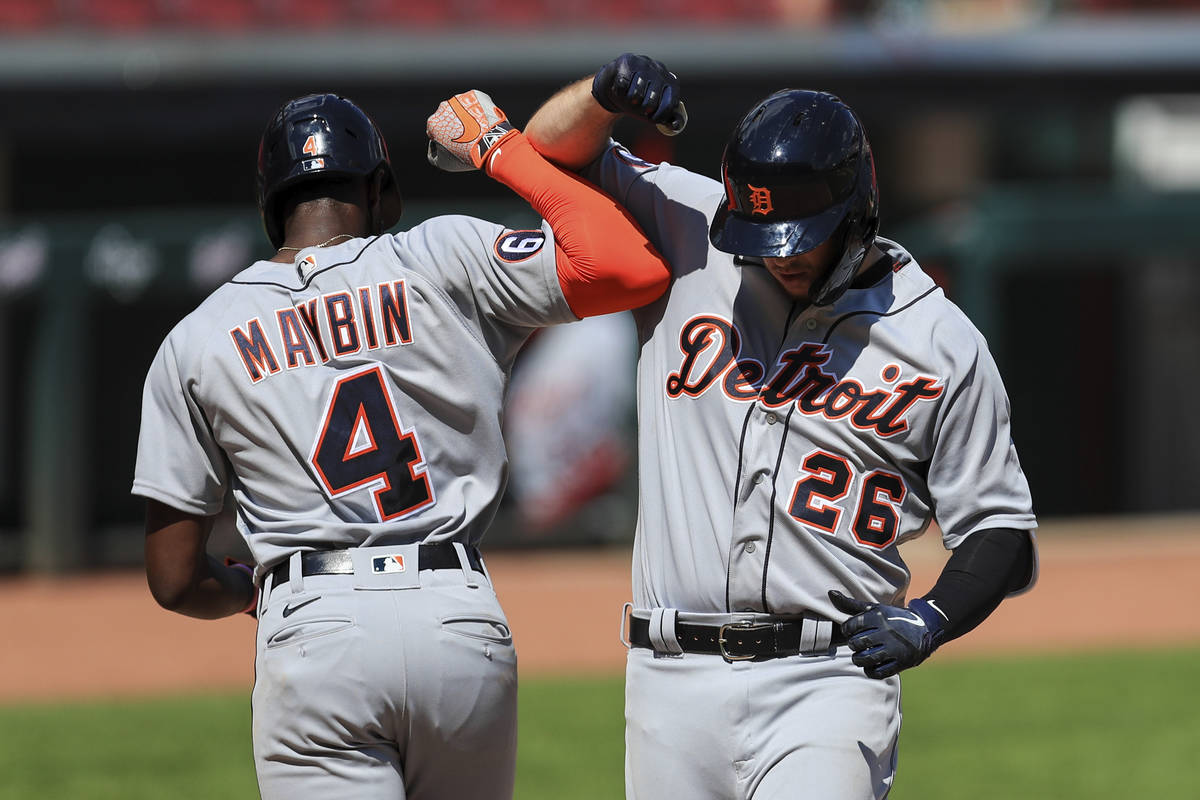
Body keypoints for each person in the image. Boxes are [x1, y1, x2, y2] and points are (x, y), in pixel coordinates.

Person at [523, 54, 1038, 799]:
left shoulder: (940, 342)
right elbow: (548, 150)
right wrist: (601, 98)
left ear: (857, 209)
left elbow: (1000, 530)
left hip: (825, 680)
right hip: (668, 677)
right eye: (762, 233)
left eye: (800, 237)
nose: (781, 258)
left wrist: (932, 617)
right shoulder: (693, 228)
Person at [132, 89, 669, 800]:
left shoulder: (196, 339)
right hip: (455, 613)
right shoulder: (440, 255)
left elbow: (174, 580)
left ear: (272, 205)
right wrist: (501, 150)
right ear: (381, 190)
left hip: (312, 620)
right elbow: (629, 266)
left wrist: (244, 592)